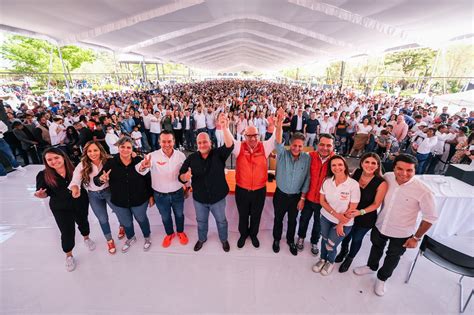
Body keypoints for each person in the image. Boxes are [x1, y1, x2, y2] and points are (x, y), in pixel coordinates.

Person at [353, 154, 438, 297]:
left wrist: (416, 238)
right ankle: (371, 266)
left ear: (415, 170)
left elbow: (430, 218)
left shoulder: (424, 191)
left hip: (402, 232)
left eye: (409, 170)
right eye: (400, 168)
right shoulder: (388, 177)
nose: (404, 173)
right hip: (381, 225)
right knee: (376, 247)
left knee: (393, 256)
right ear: (394, 168)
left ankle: (382, 279)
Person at [178, 113, 234, 252]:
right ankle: (202, 239)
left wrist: (225, 127)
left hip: (218, 198)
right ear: (197, 145)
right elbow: (181, 176)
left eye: (205, 141)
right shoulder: (191, 158)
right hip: (200, 199)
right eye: (200, 142)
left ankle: (224, 239)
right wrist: (185, 176)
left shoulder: (218, 154)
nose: (202, 144)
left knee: (221, 221)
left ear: (211, 142)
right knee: (201, 222)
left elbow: (229, 145)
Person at [35, 147, 96, 271]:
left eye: (56, 157)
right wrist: (41, 195)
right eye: (49, 160)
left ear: (63, 157)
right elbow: (44, 192)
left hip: (80, 202)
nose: (54, 161)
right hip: (60, 207)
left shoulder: (75, 168)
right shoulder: (43, 175)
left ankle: (86, 238)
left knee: (83, 221)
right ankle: (69, 255)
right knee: (67, 231)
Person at [93, 137, 153, 253]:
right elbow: (97, 180)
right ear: (118, 147)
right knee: (126, 222)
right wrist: (101, 179)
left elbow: (148, 179)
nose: (125, 150)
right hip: (119, 201)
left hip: (139, 199)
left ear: (132, 149)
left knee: (141, 218)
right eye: (122, 147)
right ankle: (131, 237)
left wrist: (151, 195)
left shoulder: (139, 161)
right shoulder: (111, 162)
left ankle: (147, 237)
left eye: (128, 147)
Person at [335, 153, 388, 273]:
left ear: (378, 165)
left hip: (366, 217)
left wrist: (360, 212)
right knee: (346, 236)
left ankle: (349, 259)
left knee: (356, 239)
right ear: (362, 163)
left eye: (373, 163)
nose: (370, 165)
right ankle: (343, 251)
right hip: (349, 213)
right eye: (367, 162)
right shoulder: (357, 172)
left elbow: (376, 204)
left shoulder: (381, 182)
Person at [69, 141, 124, 254]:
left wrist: (133, 154)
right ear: (86, 152)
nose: (92, 153)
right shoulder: (82, 164)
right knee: (103, 219)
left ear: (100, 150)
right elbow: (75, 179)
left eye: (95, 150)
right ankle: (109, 240)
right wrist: (75, 188)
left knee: (119, 212)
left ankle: (122, 226)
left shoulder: (108, 160)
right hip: (93, 195)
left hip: (109, 191)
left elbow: (122, 160)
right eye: (89, 151)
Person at [136, 130, 189, 248]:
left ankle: (180, 232)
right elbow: (139, 168)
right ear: (159, 142)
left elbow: (186, 173)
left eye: (169, 141)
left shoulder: (181, 155)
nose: (167, 144)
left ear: (174, 141)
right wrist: (143, 166)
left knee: (179, 215)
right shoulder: (152, 156)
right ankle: (170, 234)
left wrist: (188, 186)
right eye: (163, 141)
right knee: (165, 216)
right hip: (160, 196)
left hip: (178, 193)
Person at [311, 155, 360, 276]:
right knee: (324, 239)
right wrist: (336, 215)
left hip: (344, 222)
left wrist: (341, 223)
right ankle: (322, 259)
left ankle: (330, 262)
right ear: (330, 167)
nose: (337, 167)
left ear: (345, 166)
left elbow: (352, 208)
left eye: (340, 165)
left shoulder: (353, 184)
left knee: (331, 244)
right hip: (326, 218)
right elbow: (322, 201)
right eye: (334, 165)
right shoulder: (327, 181)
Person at [232, 118, 276, 249]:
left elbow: (276, 139)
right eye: (249, 136)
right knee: (243, 215)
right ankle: (243, 235)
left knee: (256, 215)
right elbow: (230, 141)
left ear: (259, 135)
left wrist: (278, 125)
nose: (252, 138)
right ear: (244, 136)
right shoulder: (239, 146)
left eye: (255, 135)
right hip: (242, 189)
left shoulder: (265, 147)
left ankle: (254, 234)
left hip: (259, 190)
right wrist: (224, 126)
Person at [272, 112, 310, 256]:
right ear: (290, 144)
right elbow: (278, 140)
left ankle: (290, 240)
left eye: (300, 146)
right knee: (278, 219)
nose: (297, 148)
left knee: (293, 221)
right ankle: (276, 239)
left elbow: (307, 179)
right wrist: (279, 124)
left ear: (303, 146)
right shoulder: (282, 153)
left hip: (296, 197)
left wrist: (302, 199)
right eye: (294, 145)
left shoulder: (306, 159)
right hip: (280, 195)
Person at [296, 134, 335, 255]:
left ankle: (314, 241)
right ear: (317, 145)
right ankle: (301, 237)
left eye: (328, 145)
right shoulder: (309, 157)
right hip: (308, 197)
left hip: (324, 201)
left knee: (319, 224)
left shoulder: (336, 161)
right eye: (322, 144)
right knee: (303, 220)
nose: (325, 148)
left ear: (333, 147)